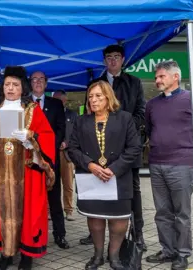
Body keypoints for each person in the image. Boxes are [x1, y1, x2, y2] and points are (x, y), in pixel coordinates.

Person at [0, 66, 55, 270]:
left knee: (28, 212)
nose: (10, 88)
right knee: (1, 210)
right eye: (7, 84)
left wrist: (31, 138)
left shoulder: (33, 110)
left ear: (22, 88)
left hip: (26, 171)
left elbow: (48, 136)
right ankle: (6, 253)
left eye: (15, 85)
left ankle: (27, 255)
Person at [145, 61, 193, 270]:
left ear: (176, 77)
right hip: (156, 164)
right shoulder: (152, 104)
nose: (157, 80)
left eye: (161, 76)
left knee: (181, 213)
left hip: (183, 166)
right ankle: (168, 251)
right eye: (156, 77)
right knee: (162, 212)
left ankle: (182, 254)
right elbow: (149, 130)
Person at [68, 80, 142, 270]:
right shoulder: (81, 120)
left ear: (108, 97)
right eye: (91, 97)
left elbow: (134, 148)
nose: (93, 100)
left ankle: (114, 257)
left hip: (117, 178)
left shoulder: (125, 118)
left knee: (118, 222)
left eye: (98, 96)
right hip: (91, 178)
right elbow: (72, 149)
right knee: (95, 220)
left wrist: (114, 168)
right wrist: (90, 165)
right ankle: (98, 256)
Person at [80, 45, 146, 250]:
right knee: (97, 190)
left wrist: (121, 131)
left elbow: (140, 114)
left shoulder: (134, 82)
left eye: (117, 57)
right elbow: (89, 114)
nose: (113, 61)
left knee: (132, 192)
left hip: (125, 149)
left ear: (123, 59)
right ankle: (95, 234)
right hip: (98, 149)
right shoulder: (93, 84)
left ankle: (137, 233)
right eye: (109, 57)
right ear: (104, 61)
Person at [29, 71, 69, 249]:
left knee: (54, 197)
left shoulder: (56, 104)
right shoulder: (24, 104)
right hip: (28, 159)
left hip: (50, 158)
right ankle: (31, 234)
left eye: (41, 79)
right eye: (34, 79)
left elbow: (61, 128)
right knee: (30, 198)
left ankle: (60, 235)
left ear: (46, 83)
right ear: (30, 83)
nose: (38, 82)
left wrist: (49, 147)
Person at [53, 90, 78, 221]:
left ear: (64, 100)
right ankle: (49, 210)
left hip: (67, 154)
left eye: (58, 99)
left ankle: (68, 210)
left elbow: (76, 134)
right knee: (51, 183)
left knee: (68, 184)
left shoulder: (72, 115)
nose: (56, 102)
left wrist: (66, 143)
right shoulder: (50, 113)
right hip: (52, 153)